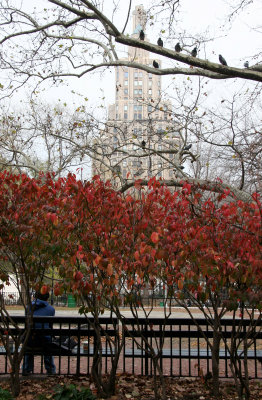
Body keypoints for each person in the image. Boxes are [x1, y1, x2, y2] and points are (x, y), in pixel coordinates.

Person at [22, 291, 56, 375]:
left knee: (28, 340)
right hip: (45, 341)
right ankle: (50, 369)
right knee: (48, 341)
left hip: (30, 341)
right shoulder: (51, 310)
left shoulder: (28, 307)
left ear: (35, 296)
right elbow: (50, 327)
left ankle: (26, 368)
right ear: (47, 298)